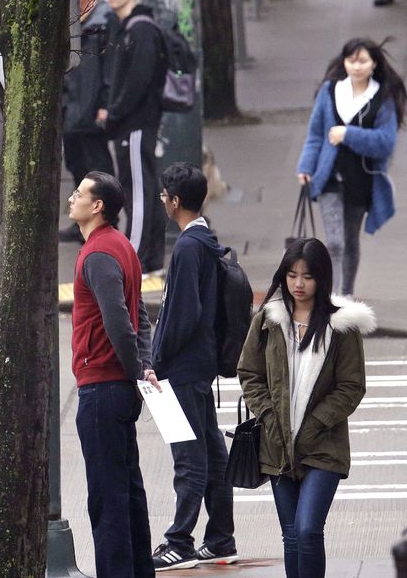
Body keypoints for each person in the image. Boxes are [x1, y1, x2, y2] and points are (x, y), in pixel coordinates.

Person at [237, 238, 374, 578]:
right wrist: (268, 416)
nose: (298, 284)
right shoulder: (268, 321)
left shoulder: (341, 328)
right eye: (292, 275)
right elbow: (249, 372)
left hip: (323, 446)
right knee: (292, 536)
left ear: (322, 278)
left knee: (309, 529)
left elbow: (352, 386)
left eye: (308, 276)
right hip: (276, 444)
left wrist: (315, 423)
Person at [67, 170, 156, 578]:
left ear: (97, 206)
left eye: (80, 193)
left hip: (102, 387)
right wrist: (142, 369)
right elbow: (141, 317)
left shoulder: (98, 254)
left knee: (107, 500)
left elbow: (120, 320)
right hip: (119, 386)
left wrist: (137, 368)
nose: (72, 197)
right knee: (129, 493)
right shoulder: (122, 247)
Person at [148, 163, 237, 571]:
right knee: (212, 454)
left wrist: (156, 361)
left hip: (182, 369)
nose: (163, 201)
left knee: (189, 458)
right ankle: (219, 537)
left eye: (165, 196)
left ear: (176, 201)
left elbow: (181, 315)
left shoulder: (186, 247)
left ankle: (179, 541)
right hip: (200, 365)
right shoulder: (206, 239)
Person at [297, 38, 407, 299]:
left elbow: (386, 142)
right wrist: (306, 166)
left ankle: (346, 293)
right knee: (335, 242)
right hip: (328, 177)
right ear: (344, 62)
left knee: (350, 240)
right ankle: (332, 297)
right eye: (351, 60)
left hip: (361, 179)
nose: (356, 66)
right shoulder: (330, 91)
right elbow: (315, 134)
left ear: (374, 64)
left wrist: (349, 134)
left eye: (363, 61)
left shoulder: (382, 98)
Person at [98, 0, 169, 275]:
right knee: (142, 187)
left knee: (137, 190)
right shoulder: (129, 27)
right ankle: (148, 255)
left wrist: (114, 112)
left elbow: (136, 82)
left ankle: (136, 257)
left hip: (136, 124)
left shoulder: (139, 30)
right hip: (135, 122)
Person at [60, 0, 116, 243]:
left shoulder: (102, 25)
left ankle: (104, 224)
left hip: (91, 111)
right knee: (77, 167)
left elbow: (110, 72)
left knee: (98, 168)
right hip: (71, 111)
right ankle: (82, 221)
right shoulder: (72, 22)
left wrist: (104, 105)